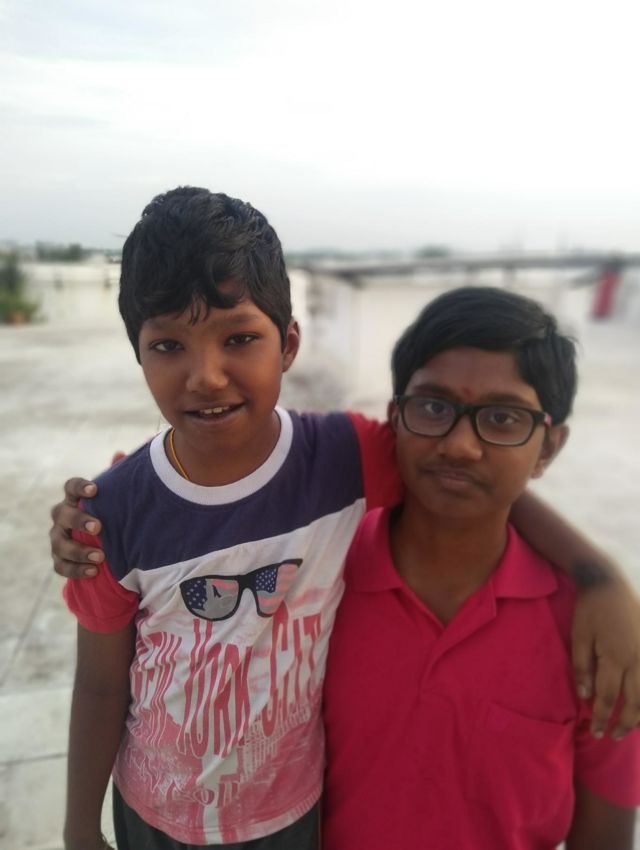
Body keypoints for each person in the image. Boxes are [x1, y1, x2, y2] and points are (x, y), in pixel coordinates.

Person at [55, 187, 640, 849]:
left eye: (239, 338)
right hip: (153, 813)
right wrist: (79, 829)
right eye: (168, 345)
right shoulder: (110, 513)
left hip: (288, 818)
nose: (207, 376)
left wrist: (598, 576)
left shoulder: (339, 458)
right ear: (137, 352)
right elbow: (100, 686)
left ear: (288, 344)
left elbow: (470, 474)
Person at [322, 287, 640, 850]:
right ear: (395, 419)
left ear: (549, 447)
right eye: (433, 407)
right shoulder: (316, 580)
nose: (461, 447)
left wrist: (602, 580)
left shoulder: (596, 639)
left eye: (502, 418)